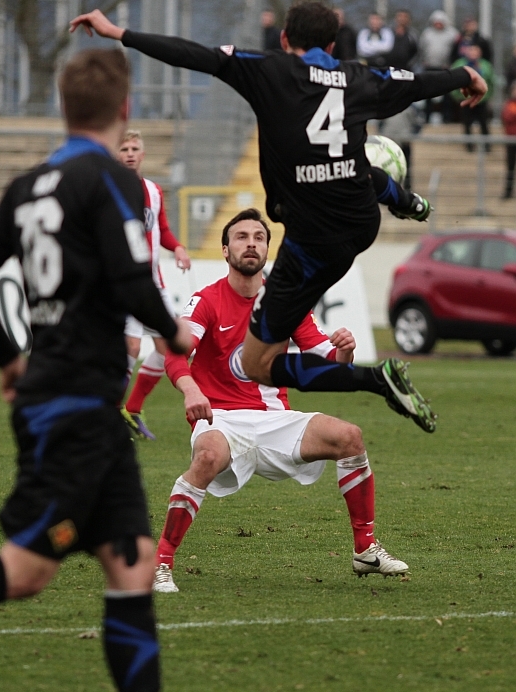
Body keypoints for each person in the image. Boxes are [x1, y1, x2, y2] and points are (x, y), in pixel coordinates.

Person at [70, 1, 487, 435]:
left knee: (257, 364)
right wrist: (464, 76)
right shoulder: (359, 77)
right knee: (358, 167)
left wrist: (120, 33)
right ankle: (406, 201)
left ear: (285, 39)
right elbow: (415, 82)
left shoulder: (269, 70)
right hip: (361, 223)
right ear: (332, 45)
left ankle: (376, 379)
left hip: (312, 242)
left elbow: (194, 54)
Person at [0, 47, 192, 692]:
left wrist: (8, 357)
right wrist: (174, 332)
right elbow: (134, 279)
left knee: (133, 562)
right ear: (124, 108)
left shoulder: (26, 187)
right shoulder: (112, 179)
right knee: (25, 572)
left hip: (85, 407)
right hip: (71, 407)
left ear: (63, 107)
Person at [154, 208, 409, 593]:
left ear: (267, 250)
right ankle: (161, 563)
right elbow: (176, 353)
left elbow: (325, 357)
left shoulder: (285, 303)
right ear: (225, 250)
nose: (251, 243)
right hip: (222, 419)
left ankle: (365, 550)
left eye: (259, 237)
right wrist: (191, 389)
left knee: (350, 437)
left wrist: (343, 351)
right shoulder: (206, 300)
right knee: (206, 457)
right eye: (241, 237)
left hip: (275, 419)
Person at [118, 129, 191, 440]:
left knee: (168, 348)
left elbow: (162, 229)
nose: (130, 154)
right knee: (132, 346)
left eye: (134, 148)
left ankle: (132, 409)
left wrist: (178, 248)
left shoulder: (154, 191)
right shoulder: (108, 190)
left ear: (143, 154)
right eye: (124, 149)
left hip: (153, 285)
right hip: (123, 285)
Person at [451, 44, 494, 152]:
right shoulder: (459, 64)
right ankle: (469, 146)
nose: (473, 53)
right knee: (467, 123)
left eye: (476, 51)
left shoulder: (485, 65)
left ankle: (487, 146)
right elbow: (451, 81)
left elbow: (492, 82)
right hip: (465, 100)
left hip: (482, 100)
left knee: (484, 123)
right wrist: (457, 96)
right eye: (471, 51)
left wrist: (487, 95)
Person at [418, 10, 459, 123]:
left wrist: (451, 62)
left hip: (445, 67)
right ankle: (427, 117)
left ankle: (447, 117)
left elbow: (456, 49)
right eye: (436, 22)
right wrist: (423, 61)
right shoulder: (427, 33)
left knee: (446, 93)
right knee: (428, 93)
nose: (438, 24)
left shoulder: (452, 34)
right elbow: (421, 48)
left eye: (440, 22)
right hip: (430, 67)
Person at [501, 81, 516, 199]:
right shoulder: (509, 104)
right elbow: (508, 117)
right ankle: (508, 191)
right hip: (511, 140)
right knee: (510, 167)